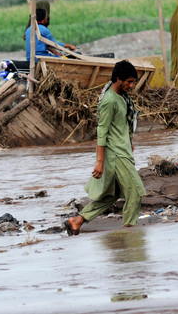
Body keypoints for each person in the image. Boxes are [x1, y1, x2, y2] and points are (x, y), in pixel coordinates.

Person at [65, 60, 145, 235]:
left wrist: (129, 143)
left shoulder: (121, 97)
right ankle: (129, 233)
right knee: (135, 192)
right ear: (118, 79)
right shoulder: (109, 101)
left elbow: (122, 125)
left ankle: (77, 221)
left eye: (133, 82)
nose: (132, 86)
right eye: (129, 81)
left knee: (112, 195)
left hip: (122, 150)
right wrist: (99, 161)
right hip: (116, 155)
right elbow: (102, 131)